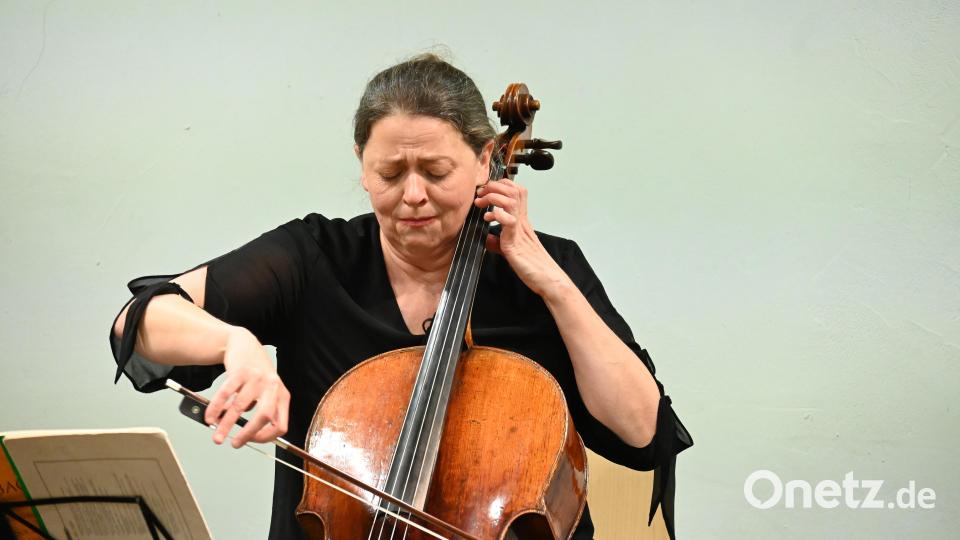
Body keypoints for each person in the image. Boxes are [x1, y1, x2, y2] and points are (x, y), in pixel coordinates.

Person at [109, 54, 692, 539]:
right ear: (362, 168)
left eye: (436, 171)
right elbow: (138, 322)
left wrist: (554, 287)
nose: (412, 194)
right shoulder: (314, 259)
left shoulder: (546, 268)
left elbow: (643, 433)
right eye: (390, 173)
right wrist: (235, 343)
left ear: (486, 160)